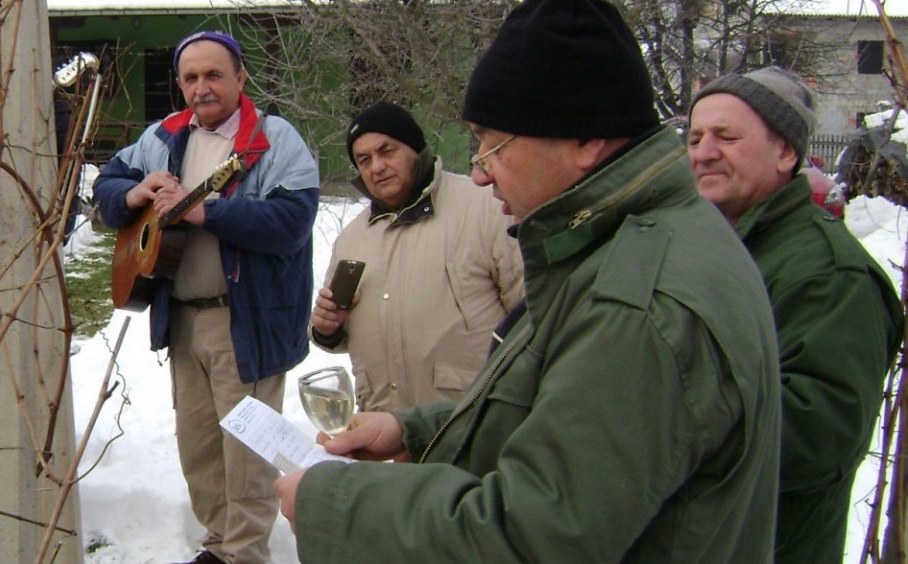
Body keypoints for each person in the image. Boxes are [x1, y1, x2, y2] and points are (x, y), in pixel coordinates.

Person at [275, 0, 783, 561]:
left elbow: (536, 534)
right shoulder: (629, 243)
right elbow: (560, 413)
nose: (480, 170)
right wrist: (417, 432)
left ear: (586, 138)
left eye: (494, 144)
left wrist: (336, 506)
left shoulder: (639, 302)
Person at [93, 30, 319, 564]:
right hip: (182, 318)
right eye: (191, 77)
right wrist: (133, 192)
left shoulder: (273, 138)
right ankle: (218, 545)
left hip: (245, 319)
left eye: (214, 74)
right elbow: (106, 186)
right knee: (198, 447)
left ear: (241, 77)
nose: (202, 87)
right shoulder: (163, 136)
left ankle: (245, 553)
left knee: (247, 452)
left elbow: (292, 221)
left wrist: (205, 212)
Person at [687, 66, 904, 562]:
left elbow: (817, 435)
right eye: (695, 138)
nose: (703, 152)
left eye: (726, 137)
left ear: (786, 152)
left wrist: (660, 415)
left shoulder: (830, 274)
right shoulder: (717, 249)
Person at [311, 101, 521, 412]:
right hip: (384, 422)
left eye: (386, 151)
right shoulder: (352, 239)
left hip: (473, 418)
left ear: (416, 148)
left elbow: (532, 315)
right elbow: (340, 329)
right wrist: (327, 328)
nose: (376, 167)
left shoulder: (486, 208)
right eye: (364, 160)